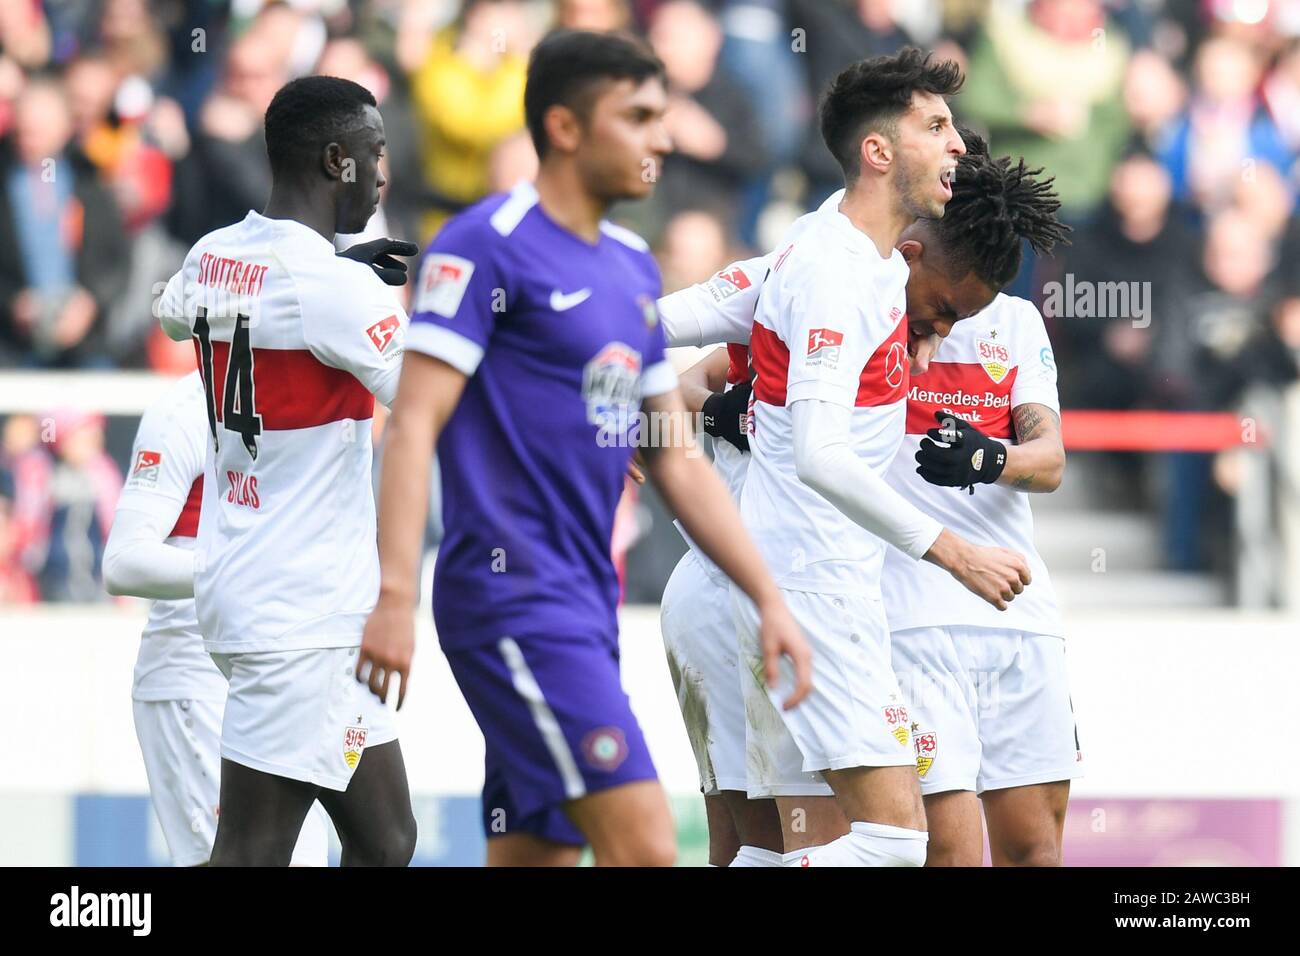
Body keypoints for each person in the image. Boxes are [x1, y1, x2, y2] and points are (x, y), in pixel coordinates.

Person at [357, 29, 810, 868]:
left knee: (535, 856)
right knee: (646, 849)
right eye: (638, 117)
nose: (663, 138)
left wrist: (768, 598)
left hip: (584, 602)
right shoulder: (483, 245)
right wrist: (393, 595)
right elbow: (414, 421)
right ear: (565, 128)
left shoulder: (634, 267)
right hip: (512, 601)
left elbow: (671, 453)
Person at [658, 127, 1070, 865]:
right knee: (888, 845)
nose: (937, 336)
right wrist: (693, 409)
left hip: (813, 589)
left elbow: (665, 345)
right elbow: (782, 429)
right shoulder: (832, 275)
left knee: (778, 843)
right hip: (821, 592)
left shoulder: (868, 276)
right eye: (939, 158)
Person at [157, 75, 418, 867]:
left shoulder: (211, 254)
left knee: (385, 841)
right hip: (296, 607)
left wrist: (341, 262)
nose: (382, 174)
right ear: (338, 160)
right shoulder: (328, 287)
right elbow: (433, 401)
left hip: (267, 581)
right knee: (250, 853)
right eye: (375, 155)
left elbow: (170, 309)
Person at [103, 371, 332, 867]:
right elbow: (122, 561)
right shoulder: (184, 409)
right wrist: (241, 575)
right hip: (195, 678)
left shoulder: (307, 395)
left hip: (279, 676)